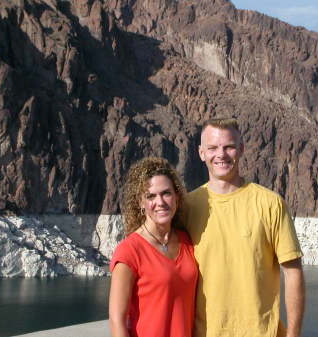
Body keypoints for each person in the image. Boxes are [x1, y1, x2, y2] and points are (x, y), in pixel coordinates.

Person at [185, 118, 305, 337]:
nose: (220, 155)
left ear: (241, 150)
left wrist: (294, 334)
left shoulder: (271, 204)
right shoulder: (187, 207)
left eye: (229, 147)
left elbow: (293, 271)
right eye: (212, 148)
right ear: (201, 153)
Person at [109, 157, 198, 337]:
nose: (160, 202)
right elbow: (117, 319)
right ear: (141, 203)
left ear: (177, 197)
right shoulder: (130, 250)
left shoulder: (187, 241)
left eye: (166, 193)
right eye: (150, 196)